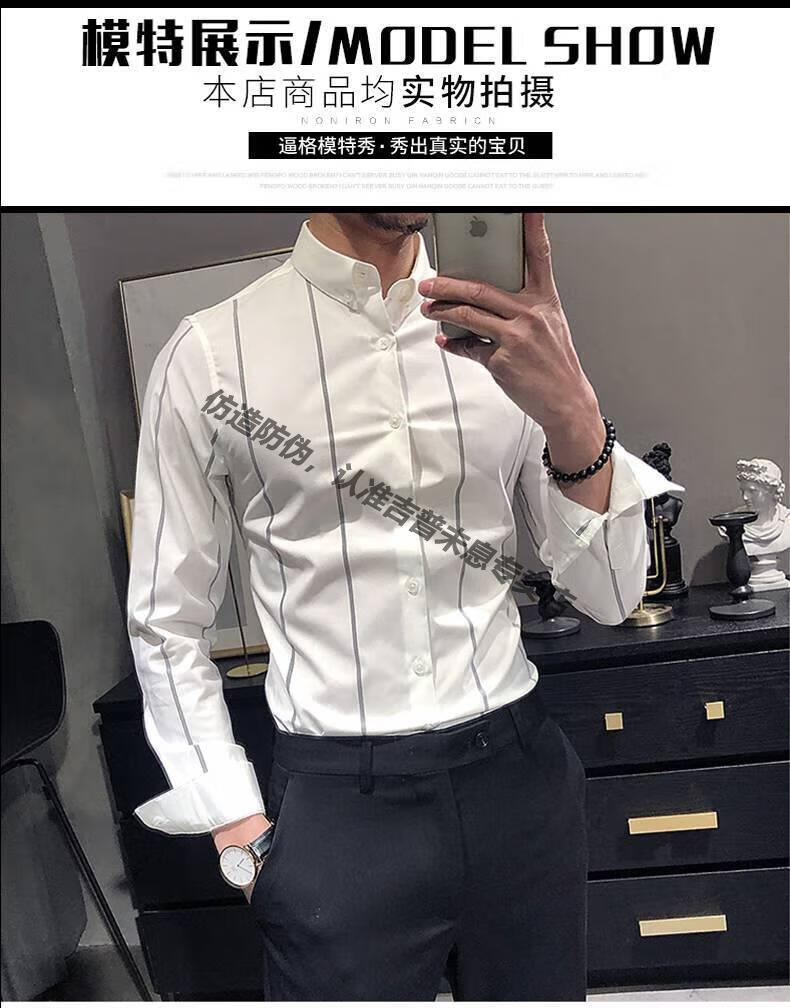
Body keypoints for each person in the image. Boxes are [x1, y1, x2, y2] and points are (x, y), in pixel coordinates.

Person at [127, 212, 683, 1000]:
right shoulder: (212, 354)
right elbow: (165, 618)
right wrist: (237, 831)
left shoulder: (512, 333)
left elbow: (612, 593)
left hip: (519, 786)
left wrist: (574, 414)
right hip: (339, 818)